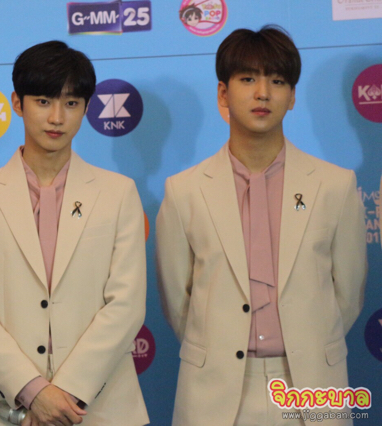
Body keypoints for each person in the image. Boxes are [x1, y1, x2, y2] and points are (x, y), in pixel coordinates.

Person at [156, 26, 367, 425]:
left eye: (278, 81)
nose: (263, 93)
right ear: (223, 93)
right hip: (214, 393)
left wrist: (307, 342)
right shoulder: (184, 191)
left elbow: (348, 295)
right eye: (248, 79)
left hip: (311, 388)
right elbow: (177, 301)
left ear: (292, 96)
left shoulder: (335, 186)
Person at [0, 41, 148, 426]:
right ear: (17, 103)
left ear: (86, 109)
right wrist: (33, 391)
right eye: (43, 102)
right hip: (0, 406)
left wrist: (67, 392)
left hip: (102, 406)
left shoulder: (118, 193)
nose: (57, 118)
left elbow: (126, 305)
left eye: (71, 103)